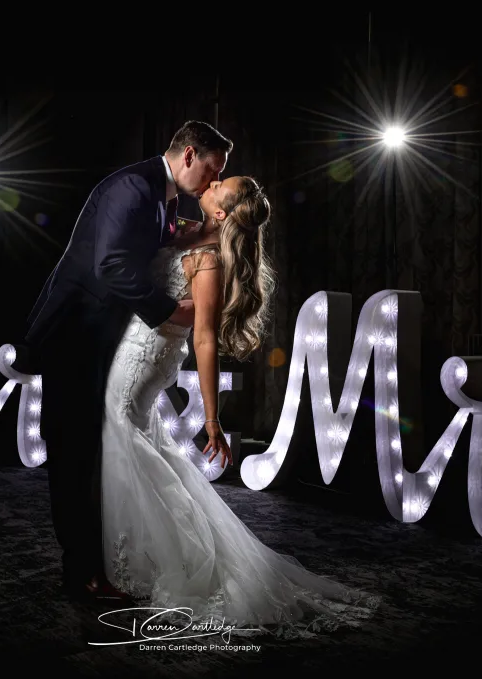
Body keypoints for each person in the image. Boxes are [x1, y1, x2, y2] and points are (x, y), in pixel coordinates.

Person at [99, 174, 378, 638]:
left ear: (222, 212)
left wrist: (212, 421)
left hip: (146, 355)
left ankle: (150, 560)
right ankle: (135, 551)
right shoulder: (189, 232)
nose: (209, 183)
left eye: (219, 184)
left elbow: (205, 338)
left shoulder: (207, 261)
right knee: (132, 438)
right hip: (135, 342)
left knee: (120, 429)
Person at [26, 120, 232, 603]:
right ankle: (80, 573)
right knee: (75, 454)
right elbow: (112, 265)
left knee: (92, 451)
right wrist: (172, 312)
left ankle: (93, 565)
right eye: (210, 170)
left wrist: (195, 235)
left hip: (99, 336)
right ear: (188, 155)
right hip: (74, 335)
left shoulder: (161, 193)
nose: (210, 182)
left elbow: (145, 250)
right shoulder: (133, 187)